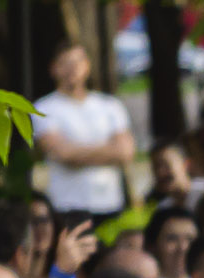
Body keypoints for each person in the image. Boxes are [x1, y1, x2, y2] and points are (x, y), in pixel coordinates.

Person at [36, 43, 132, 218]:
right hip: (67, 206)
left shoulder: (110, 105)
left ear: (87, 65)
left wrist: (77, 152)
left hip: (111, 204)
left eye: (78, 61)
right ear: (54, 68)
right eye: (65, 62)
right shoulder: (43, 107)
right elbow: (62, 153)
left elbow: (125, 152)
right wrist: (108, 151)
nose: (72, 68)